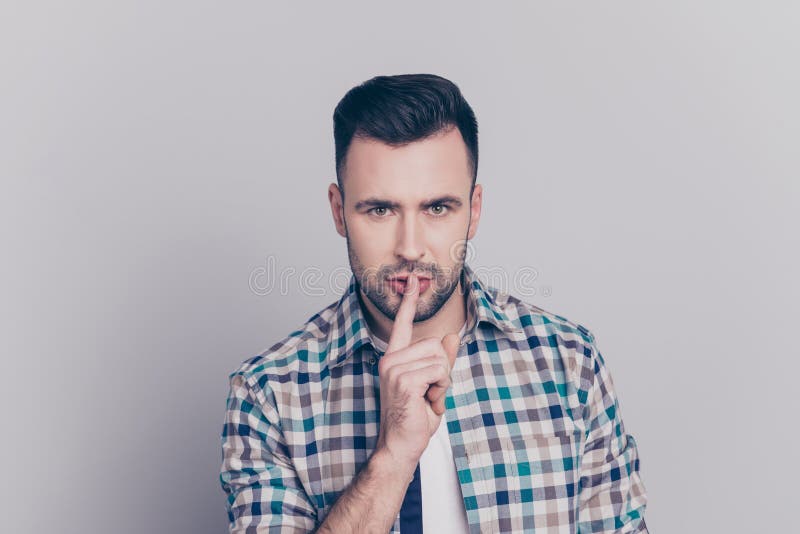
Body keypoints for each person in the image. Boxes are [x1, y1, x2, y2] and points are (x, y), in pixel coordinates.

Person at [219, 73, 648, 533]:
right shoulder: (269, 395)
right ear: (338, 211)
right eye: (380, 209)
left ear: (474, 209)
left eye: (437, 208)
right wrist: (392, 457)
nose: (410, 247)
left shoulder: (569, 363)